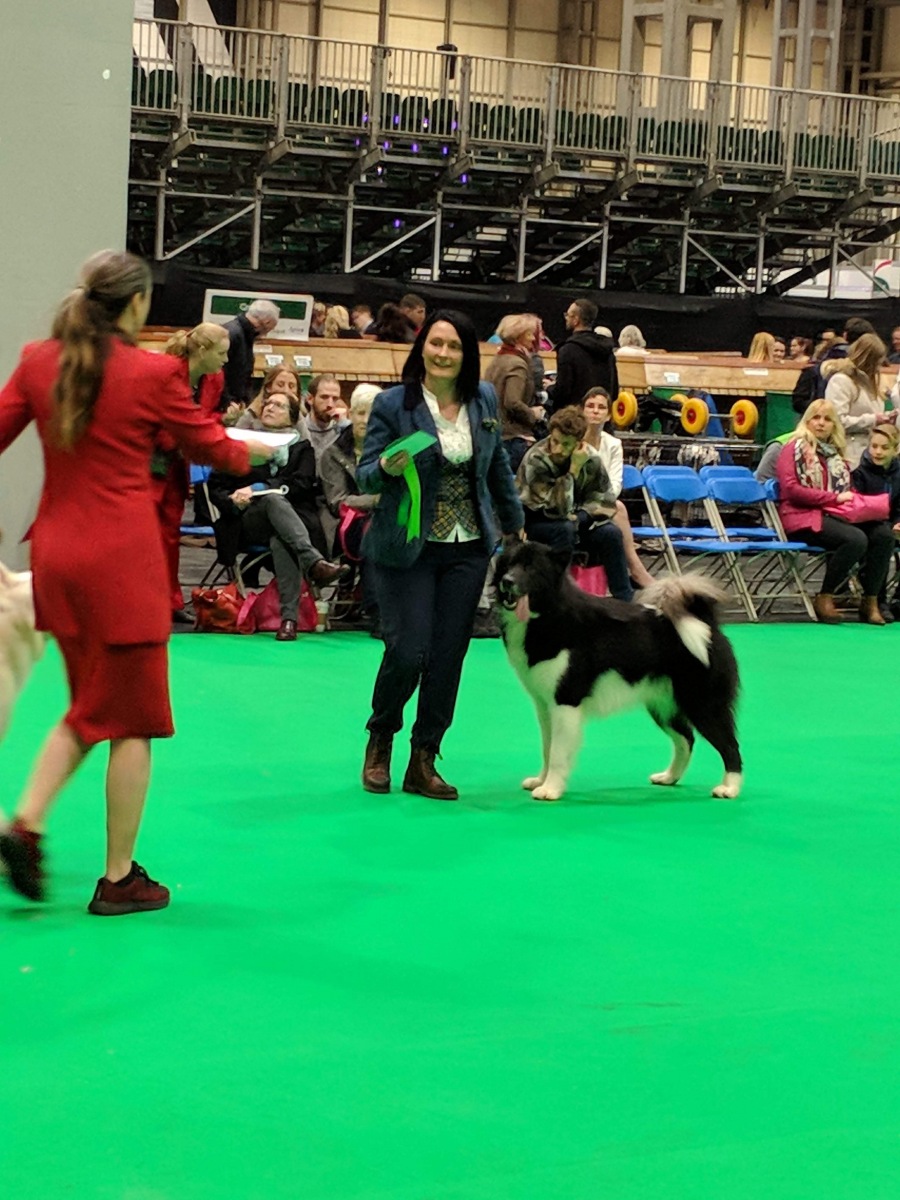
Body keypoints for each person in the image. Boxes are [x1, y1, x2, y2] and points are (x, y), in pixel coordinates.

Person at [0, 249, 273, 912]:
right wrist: (259, 449)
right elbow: (209, 446)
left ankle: (25, 827)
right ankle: (118, 878)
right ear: (138, 304)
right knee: (134, 722)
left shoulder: (38, 360)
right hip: (123, 567)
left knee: (93, 705)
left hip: (58, 561)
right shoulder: (153, 373)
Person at [356, 310, 524, 801]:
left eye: (454, 346)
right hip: (406, 547)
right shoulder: (393, 404)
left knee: (449, 656)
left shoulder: (484, 398)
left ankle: (425, 757)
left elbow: (497, 469)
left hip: (468, 548)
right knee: (407, 651)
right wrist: (386, 467)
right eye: (436, 343)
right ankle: (381, 737)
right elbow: (365, 474)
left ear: (467, 354)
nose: (443, 354)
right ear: (422, 347)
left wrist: (515, 526)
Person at [207, 393, 346, 642]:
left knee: (280, 536)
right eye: (268, 403)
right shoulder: (242, 442)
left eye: (279, 405)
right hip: (247, 520)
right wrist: (232, 501)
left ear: (292, 418)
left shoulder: (301, 448)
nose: (270, 407)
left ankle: (288, 620)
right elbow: (216, 486)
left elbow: (302, 485)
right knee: (272, 501)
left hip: (290, 524)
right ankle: (313, 561)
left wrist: (261, 487)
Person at [775, 399, 894, 625]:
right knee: (855, 539)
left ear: (834, 425)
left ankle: (871, 601)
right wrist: (832, 498)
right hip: (802, 515)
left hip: (836, 513)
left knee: (883, 534)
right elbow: (791, 490)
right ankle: (825, 596)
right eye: (816, 418)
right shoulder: (793, 448)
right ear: (806, 421)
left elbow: (846, 489)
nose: (821, 423)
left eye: (827, 419)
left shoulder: (834, 454)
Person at [517, 406, 633, 602]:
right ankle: (559, 598)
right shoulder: (536, 458)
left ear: (579, 443)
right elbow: (557, 508)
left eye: (566, 444)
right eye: (555, 441)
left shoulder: (591, 458)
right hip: (538, 522)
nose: (558, 449)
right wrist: (573, 471)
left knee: (611, 534)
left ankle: (625, 601)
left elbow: (605, 500)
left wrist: (583, 517)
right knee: (565, 529)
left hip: (577, 521)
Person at [156, 322, 231, 619]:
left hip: (178, 464)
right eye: (221, 353)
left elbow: (204, 417)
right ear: (201, 350)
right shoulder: (167, 374)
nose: (226, 360)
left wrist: (221, 421)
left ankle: (171, 602)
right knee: (146, 536)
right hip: (149, 462)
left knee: (169, 535)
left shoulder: (215, 378)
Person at [581, 387, 655, 589]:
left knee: (617, 507)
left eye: (601, 407)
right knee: (619, 508)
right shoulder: (573, 441)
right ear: (582, 411)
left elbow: (615, 484)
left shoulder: (614, 444)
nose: (595, 411)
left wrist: (599, 497)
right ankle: (637, 570)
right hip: (577, 502)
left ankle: (632, 574)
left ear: (608, 415)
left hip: (602, 503)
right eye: (590, 406)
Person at [483, 313, 545, 474]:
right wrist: (533, 414)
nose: (533, 338)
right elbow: (512, 402)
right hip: (514, 439)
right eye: (529, 334)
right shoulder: (517, 364)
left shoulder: (497, 360)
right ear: (518, 336)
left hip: (497, 436)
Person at [851, 422, 900, 621]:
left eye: (884, 448)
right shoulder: (859, 474)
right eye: (874, 446)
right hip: (867, 525)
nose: (878, 452)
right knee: (883, 537)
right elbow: (857, 509)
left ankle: (898, 600)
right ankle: (878, 600)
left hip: (891, 525)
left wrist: (898, 521)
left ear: (896, 450)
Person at [823, 332, 892, 466]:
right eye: (876, 363)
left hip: (869, 454)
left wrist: (886, 418)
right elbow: (836, 421)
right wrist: (873, 419)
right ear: (866, 360)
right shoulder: (841, 381)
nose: (878, 367)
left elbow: (874, 414)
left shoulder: (872, 383)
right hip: (848, 455)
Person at [547, 299, 617, 412]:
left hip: (574, 417)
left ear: (576, 320)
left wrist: (550, 388)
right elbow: (614, 390)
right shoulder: (607, 349)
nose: (566, 318)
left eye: (568, 315)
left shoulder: (568, 350)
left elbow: (563, 392)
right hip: (601, 415)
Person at [221, 299, 280, 410]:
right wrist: (228, 401)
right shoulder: (235, 334)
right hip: (227, 405)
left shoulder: (240, 333)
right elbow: (219, 372)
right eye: (272, 327)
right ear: (267, 322)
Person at [236, 364, 308, 437]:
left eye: (291, 386)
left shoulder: (300, 417)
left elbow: (306, 441)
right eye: (280, 385)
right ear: (268, 387)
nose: (286, 391)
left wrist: (295, 410)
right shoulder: (251, 414)